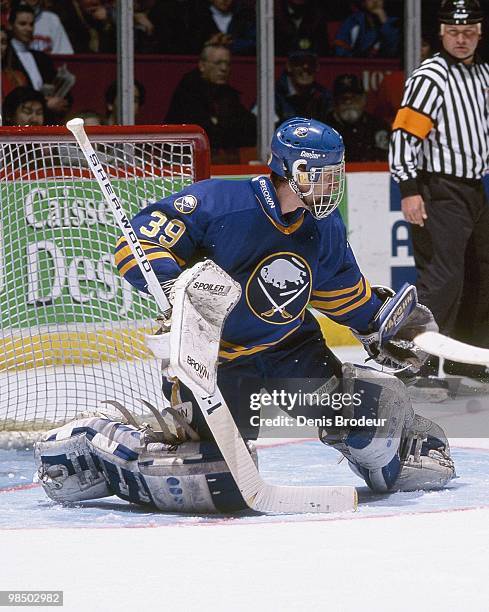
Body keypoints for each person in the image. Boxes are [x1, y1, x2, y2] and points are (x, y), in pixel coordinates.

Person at [35, 117, 455, 514]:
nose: (330, 184)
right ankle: (96, 447)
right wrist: (174, 286)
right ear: (289, 168)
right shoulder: (219, 204)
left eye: (334, 173)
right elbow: (135, 248)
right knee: (219, 485)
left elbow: (342, 294)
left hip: (291, 350)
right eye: (319, 173)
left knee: (370, 431)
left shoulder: (321, 227)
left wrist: (384, 324)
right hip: (216, 366)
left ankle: (402, 447)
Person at [389, 0, 489, 382]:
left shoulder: (482, 74)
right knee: (443, 279)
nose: (461, 39)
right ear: (442, 33)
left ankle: (469, 363)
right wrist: (409, 189)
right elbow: (403, 136)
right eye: (453, 32)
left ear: (479, 32)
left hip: (475, 190)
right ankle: (413, 363)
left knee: (481, 276)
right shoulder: (430, 76)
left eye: (468, 32)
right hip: (439, 189)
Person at [165, 41, 256, 163]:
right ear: (202, 65)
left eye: (227, 64)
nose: (224, 69)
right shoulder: (187, 93)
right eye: (218, 63)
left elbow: (249, 131)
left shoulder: (229, 96)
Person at [5, 4, 69, 121]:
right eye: (23, 24)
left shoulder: (42, 58)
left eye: (31, 24)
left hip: (44, 119)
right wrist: (45, 103)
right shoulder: (6, 57)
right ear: (10, 25)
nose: (29, 29)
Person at [325, 73, 390, 161]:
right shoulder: (322, 130)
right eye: (343, 98)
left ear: (364, 99)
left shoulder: (378, 127)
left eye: (354, 97)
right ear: (334, 102)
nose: (349, 102)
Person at [273, 49, 332, 125]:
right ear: (289, 67)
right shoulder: (273, 97)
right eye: (299, 62)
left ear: (317, 67)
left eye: (311, 63)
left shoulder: (324, 96)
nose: (305, 67)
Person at [334, 0, 400, 58]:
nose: (375, 1)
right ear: (363, 3)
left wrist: (385, 22)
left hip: (384, 66)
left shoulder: (393, 23)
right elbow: (340, 46)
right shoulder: (353, 21)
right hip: (356, 65)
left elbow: (392, 51)